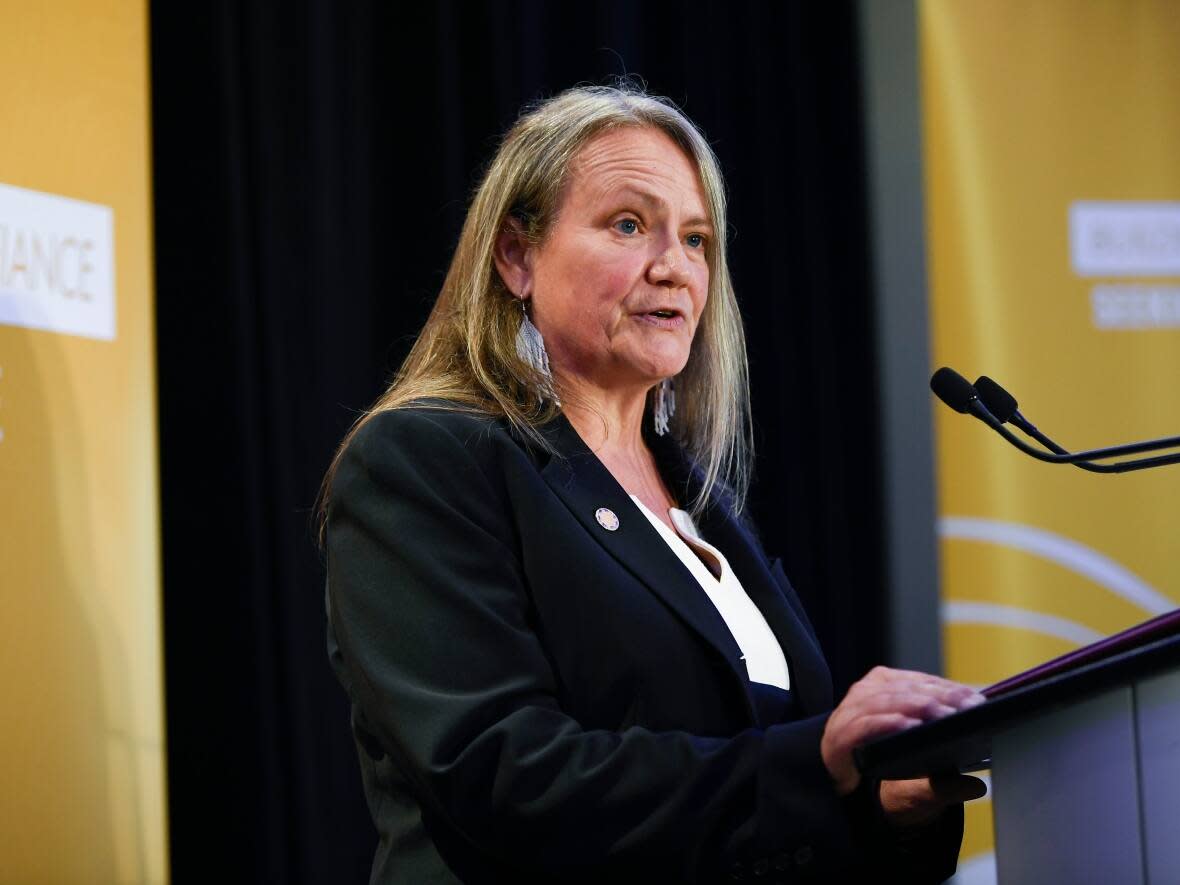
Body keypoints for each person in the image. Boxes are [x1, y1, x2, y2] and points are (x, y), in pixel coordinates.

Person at [320, 84, 985, 884]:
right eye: (628, 225)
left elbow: (764, 800)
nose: (673, 267)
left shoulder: (702, 502)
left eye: (697, 239)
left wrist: (878, 801)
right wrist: (814, 763)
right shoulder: (426, 460)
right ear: (517, 256)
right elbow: (500, 771)